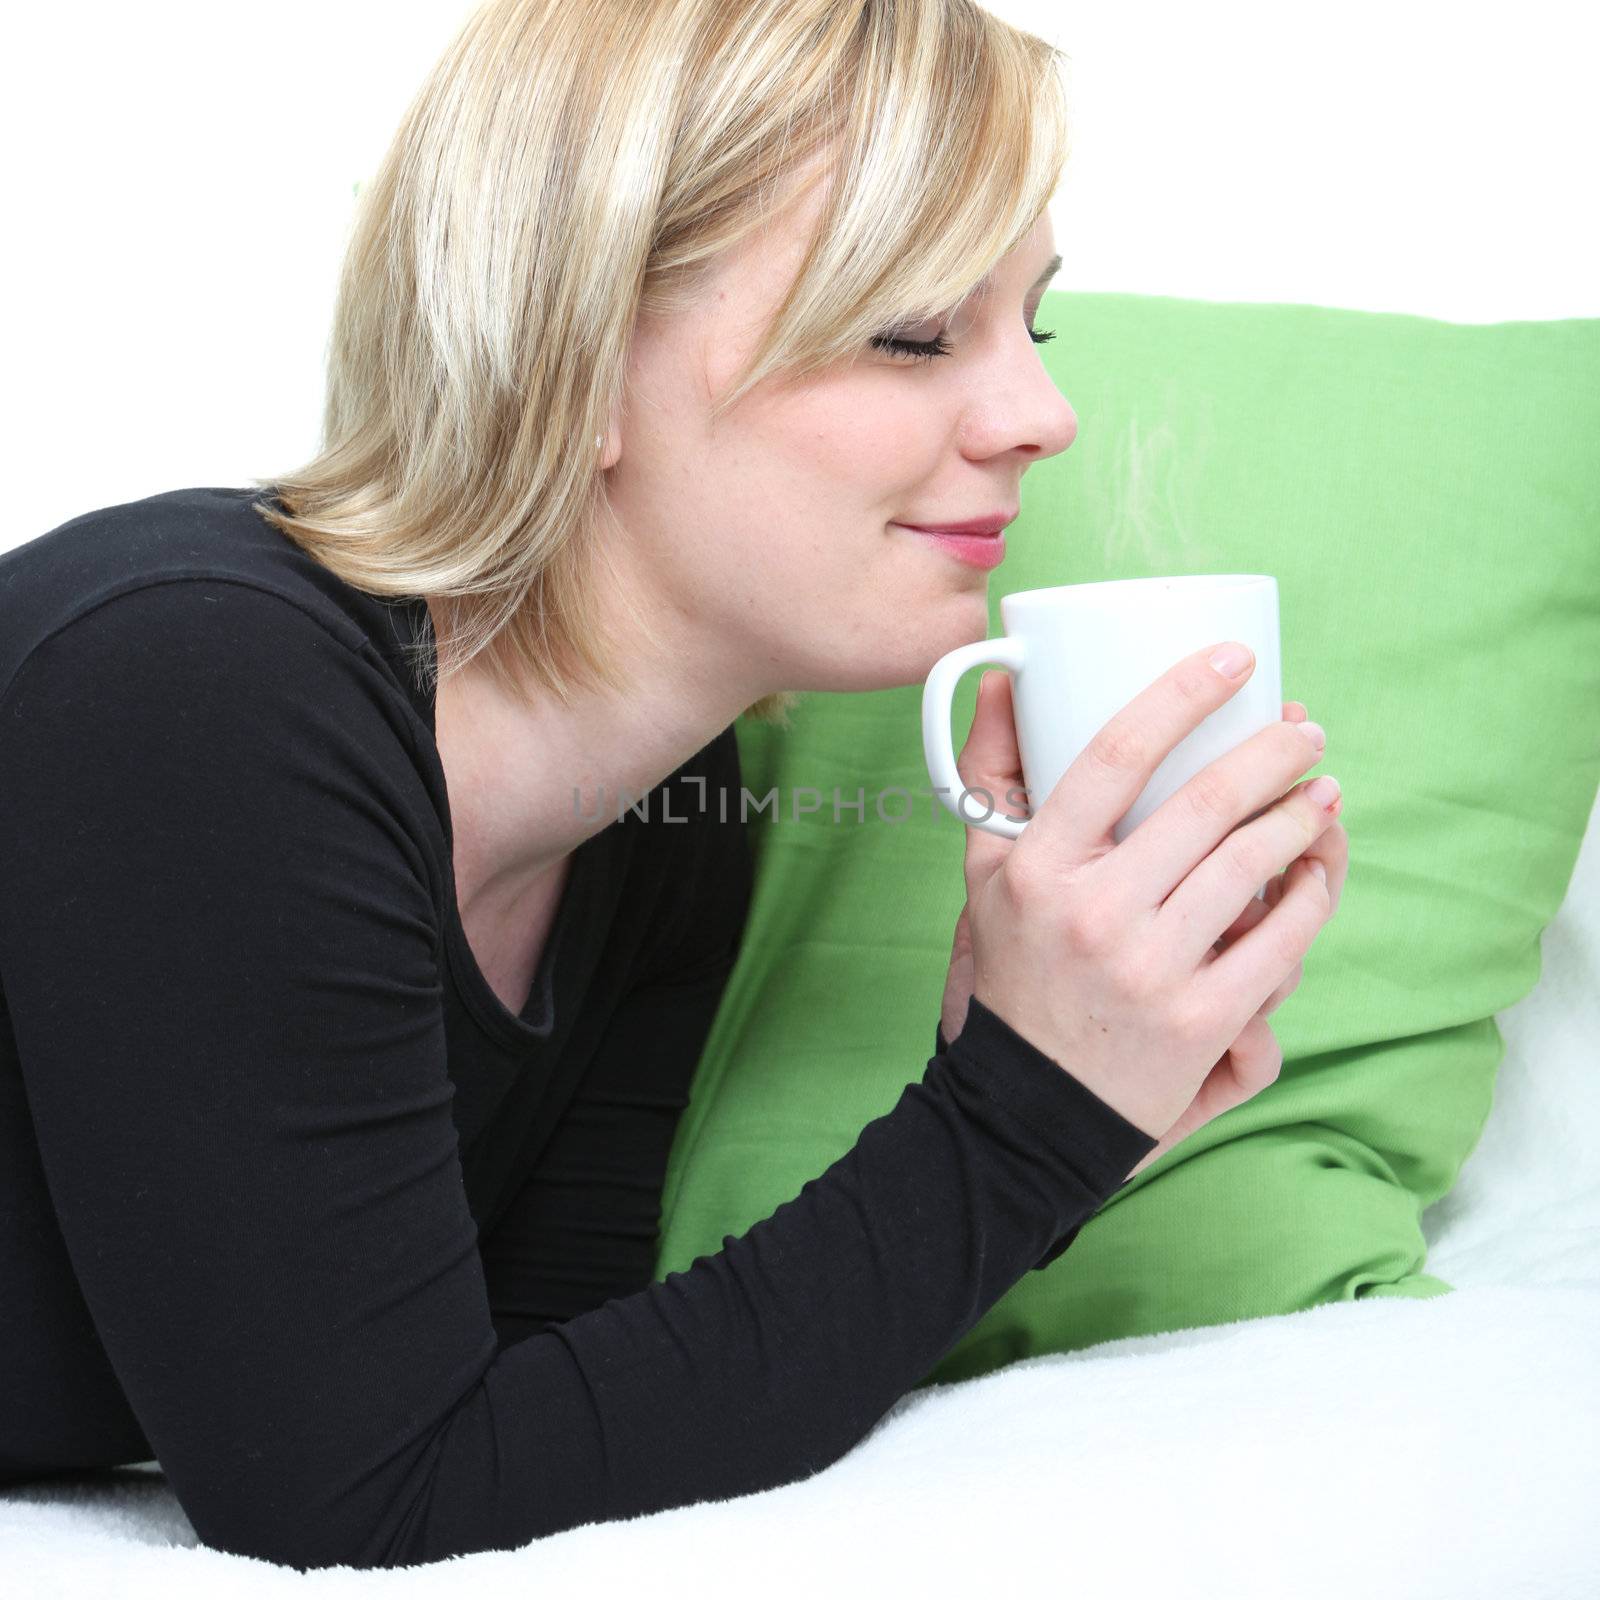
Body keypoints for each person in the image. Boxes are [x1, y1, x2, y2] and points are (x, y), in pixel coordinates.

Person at [0, 0, 1345, 1573]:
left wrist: (1061, 1086)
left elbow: (546, 1413)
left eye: (1027, 329)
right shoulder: (194, 683)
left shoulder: (670, 814)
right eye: (913, 332)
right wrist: (1029, 1118)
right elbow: (358, 1500)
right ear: (567, 357)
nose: (1038, 417)